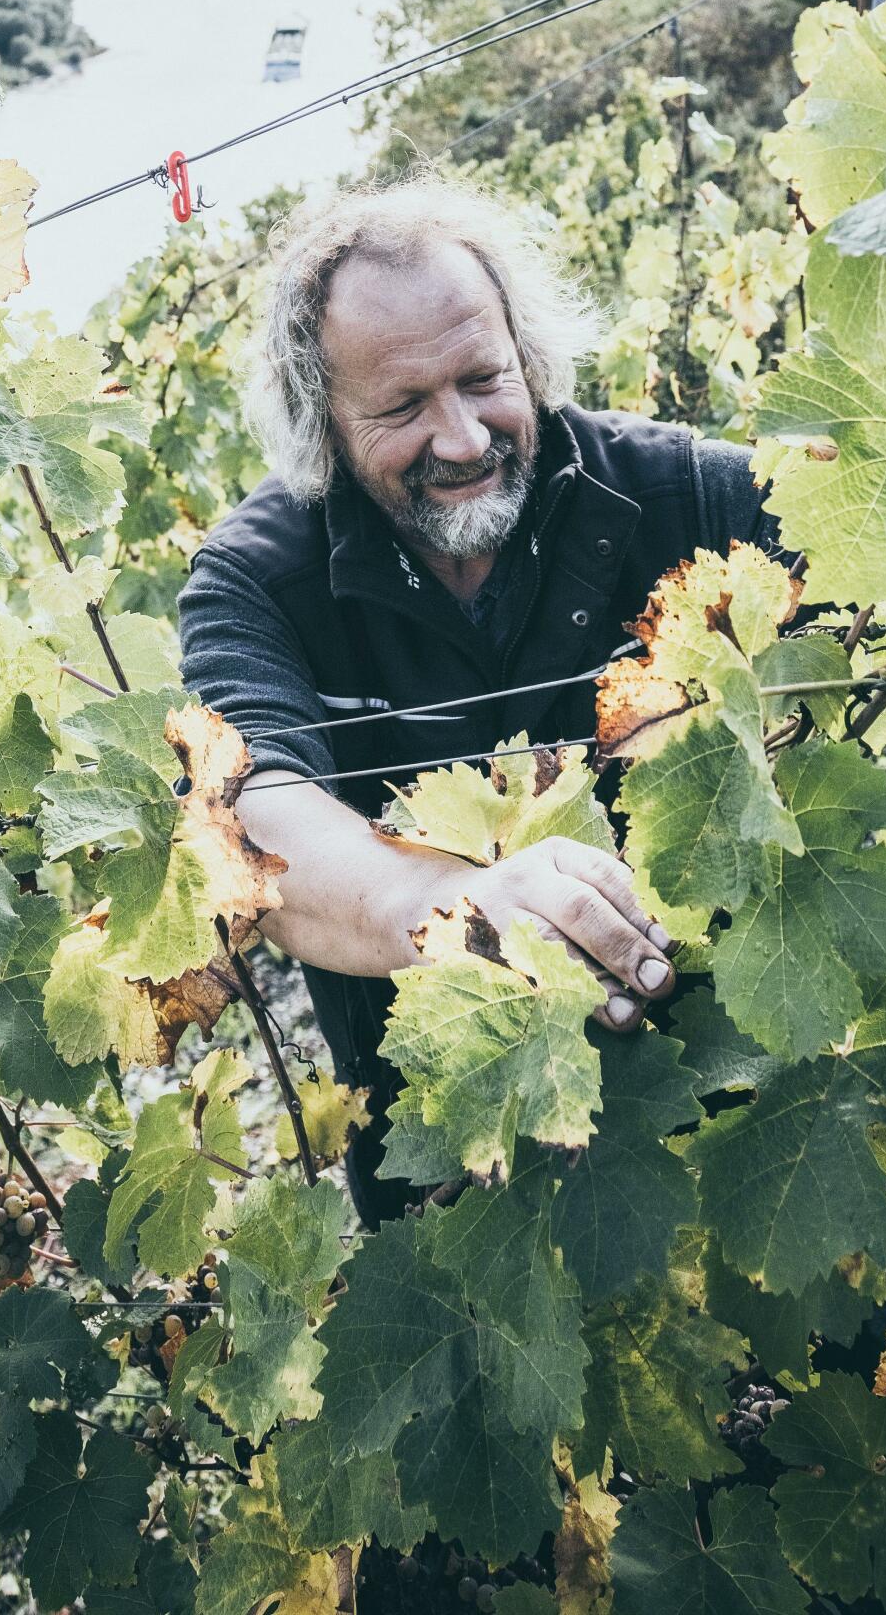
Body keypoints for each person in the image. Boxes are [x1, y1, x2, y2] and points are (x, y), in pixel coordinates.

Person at [177, 177, 774, 1223]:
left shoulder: (675, 493)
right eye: (402, 408)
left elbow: (876, 535)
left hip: (726, 1108)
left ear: (525, 356)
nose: (460, 439)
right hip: (443, 1156)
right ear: (324, 423)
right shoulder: (256, 583)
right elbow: (250, 816)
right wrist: (444, 909)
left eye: (482, 380)